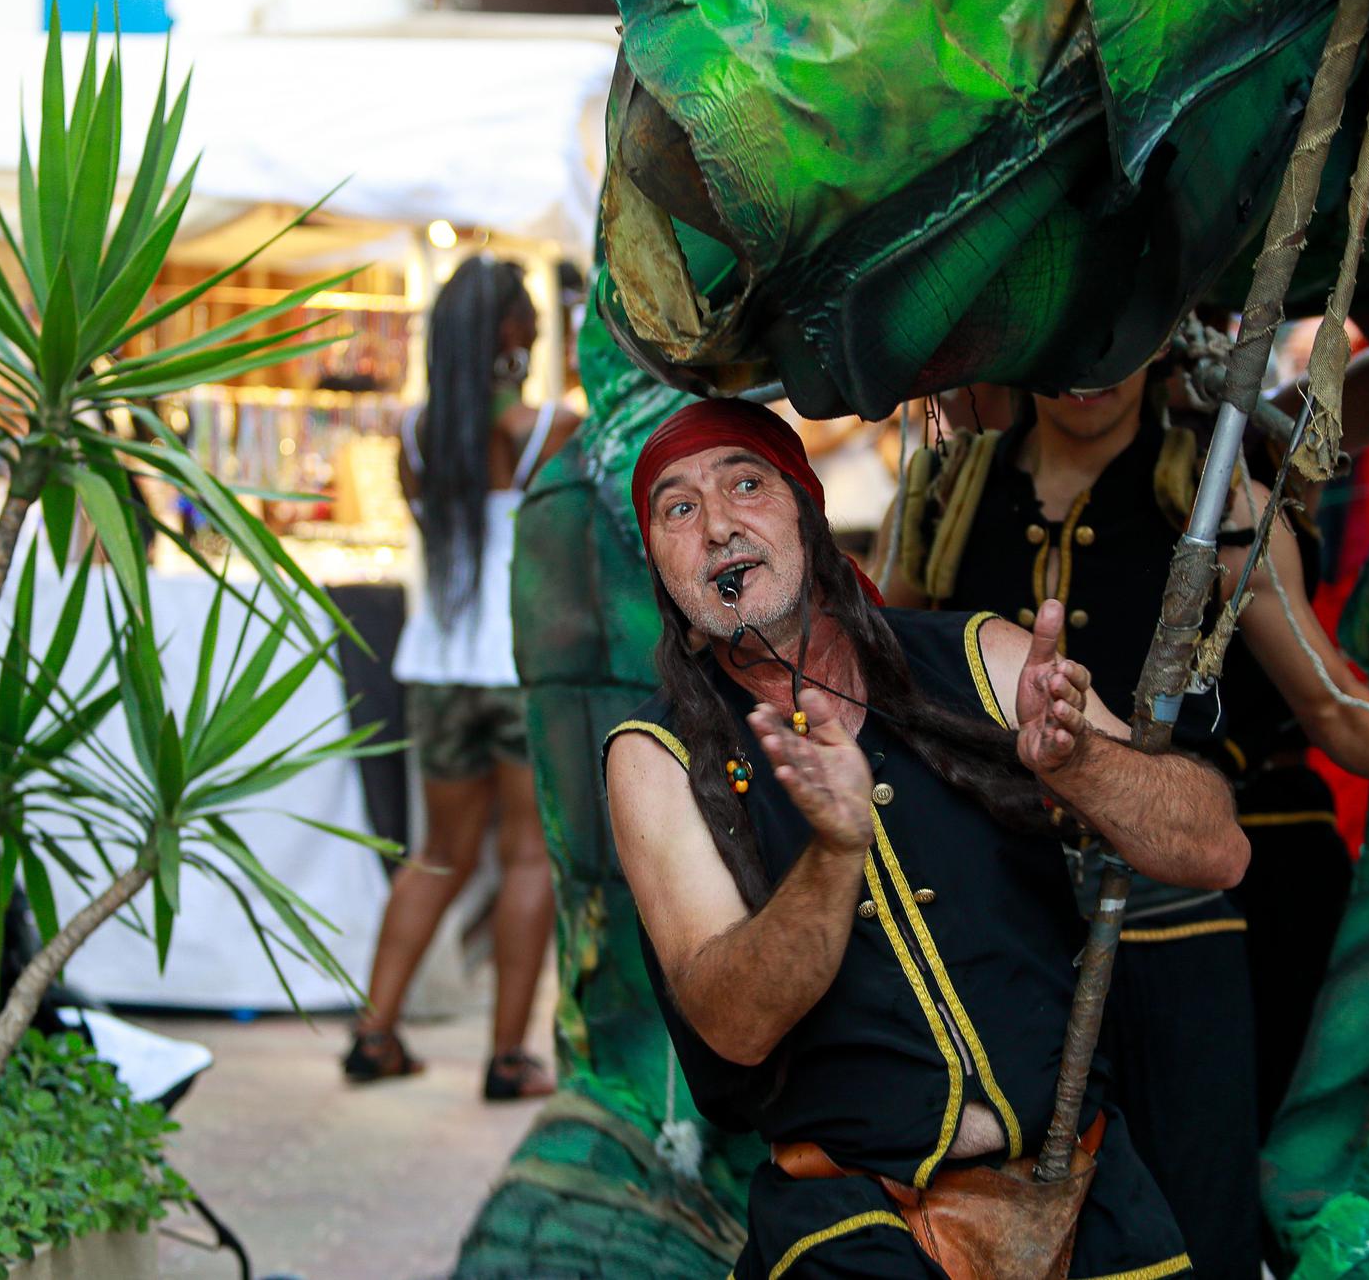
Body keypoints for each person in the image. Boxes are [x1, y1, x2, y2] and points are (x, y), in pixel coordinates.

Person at [607, 397, 1250, 1278]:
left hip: (1088, 1197)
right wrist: (835, 854)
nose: (718, 525)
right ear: (663, 571)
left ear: (806, 506)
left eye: (746, 484)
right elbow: (734, 1025)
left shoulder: (981, 656)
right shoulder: (656, 758)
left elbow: (1216, 849)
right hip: (849, 1229)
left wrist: (1082, 765)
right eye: (678, 508)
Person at [882, 367, 1369, 1279]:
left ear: (1160, 341)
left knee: (1197, 1218)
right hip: (1005, 925)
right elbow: (891, 686)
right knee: (1004, 1215)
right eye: (1077, 342)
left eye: (1121, 343)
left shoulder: (1214, 498)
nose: (1093, 374)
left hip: (1177, 929)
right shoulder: (944, 492)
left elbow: (1327, 699)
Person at [345, 257, 579, 1097]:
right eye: (532, 318)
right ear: (512, 333)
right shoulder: (550, 428)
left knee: (437, 856)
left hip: (438, 668)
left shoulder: (413, 436)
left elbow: (427, 521)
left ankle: (375, 1033)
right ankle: (509, 1056)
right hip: (520, 666)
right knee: (526, 860)